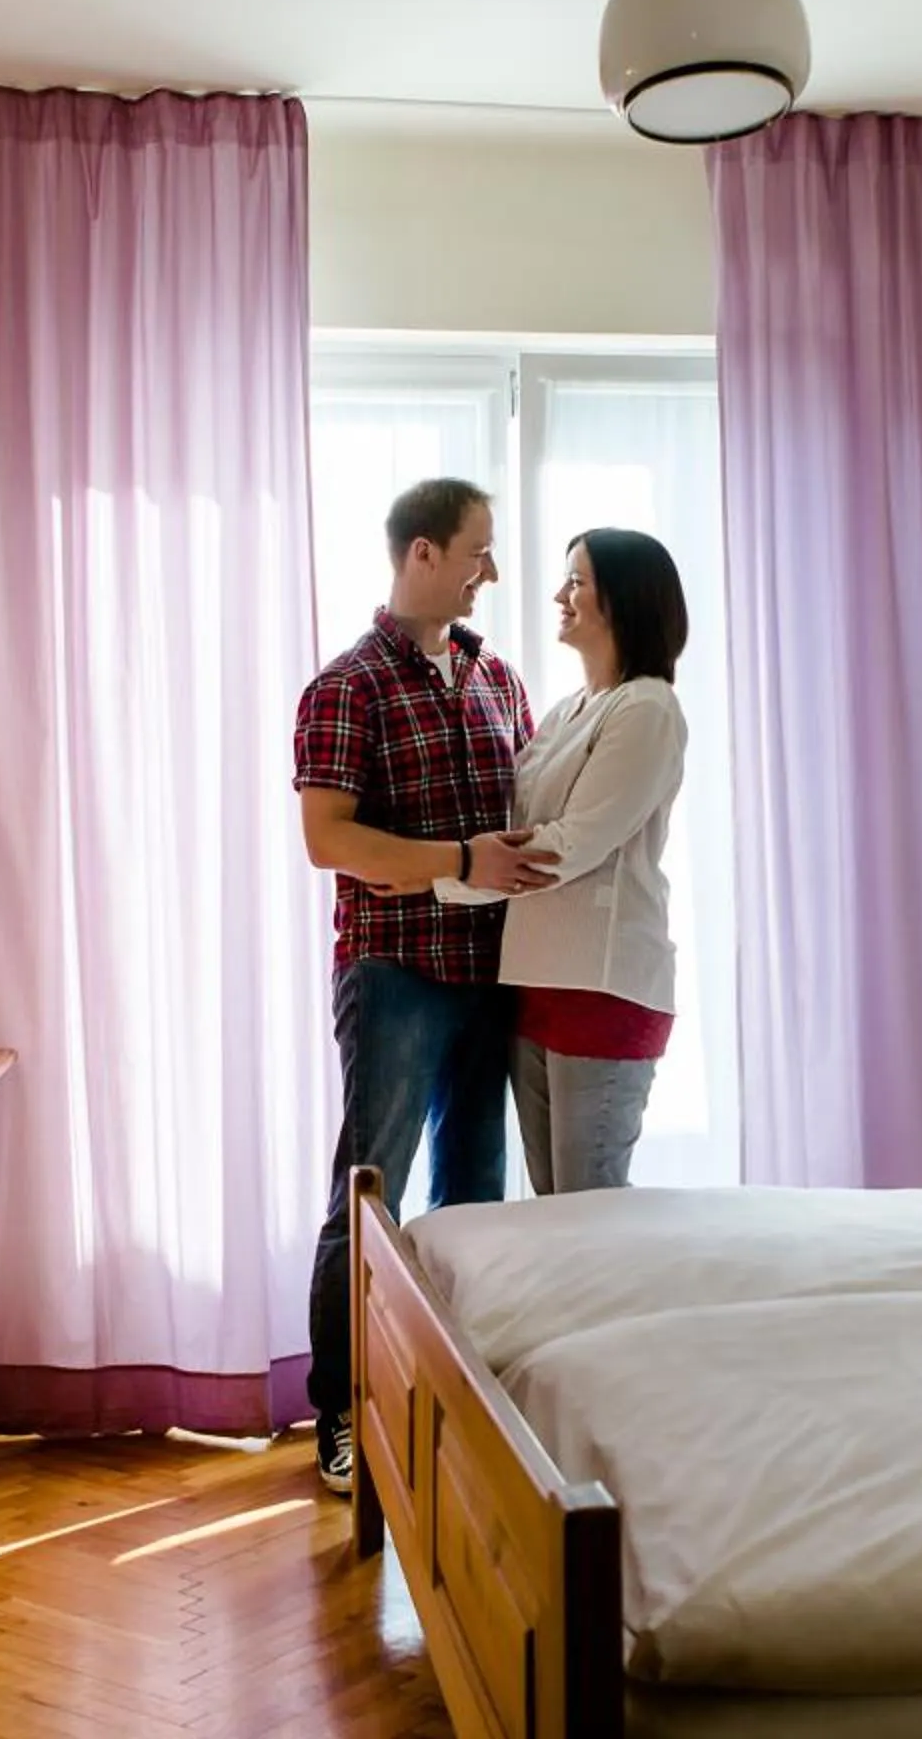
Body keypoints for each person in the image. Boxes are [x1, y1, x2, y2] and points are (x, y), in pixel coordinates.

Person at [292, 478, 559, 1495]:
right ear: (422, 557)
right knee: (369, 1198)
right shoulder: (347, 685)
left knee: (476, 1203)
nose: (491, 569)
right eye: (478, 551)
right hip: (396, 972)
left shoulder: (499, 679)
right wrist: (458, 858)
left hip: (491, 977)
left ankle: (455, 1416)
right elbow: (329, 840)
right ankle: (340, 1413)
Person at [440, 530, 692, 1196]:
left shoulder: (647, 707)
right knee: (556, 1213)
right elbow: (520, 830)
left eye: (576, 581)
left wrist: (442, 877)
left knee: (589, 1211)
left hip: (603, 987)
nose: (560, 595)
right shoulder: (566, 712)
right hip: (538, 983)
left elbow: (571, 845)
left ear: (622, 598)